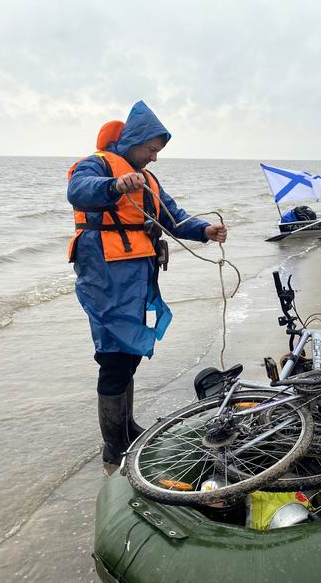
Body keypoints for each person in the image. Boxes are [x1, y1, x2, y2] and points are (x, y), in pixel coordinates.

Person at [66, 100, 228, 473]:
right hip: (104, 278)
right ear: (134, 140)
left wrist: (204, 230)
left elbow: (173, 215)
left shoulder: (148, 180)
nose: (153, 158)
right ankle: (113, 447)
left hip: (138, 278)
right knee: (112, 358)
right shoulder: (99, 165)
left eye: (157, 152)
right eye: (151, 149)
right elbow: (80, 190)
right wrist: (114, 184)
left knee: (130, 354)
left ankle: (126, 427)